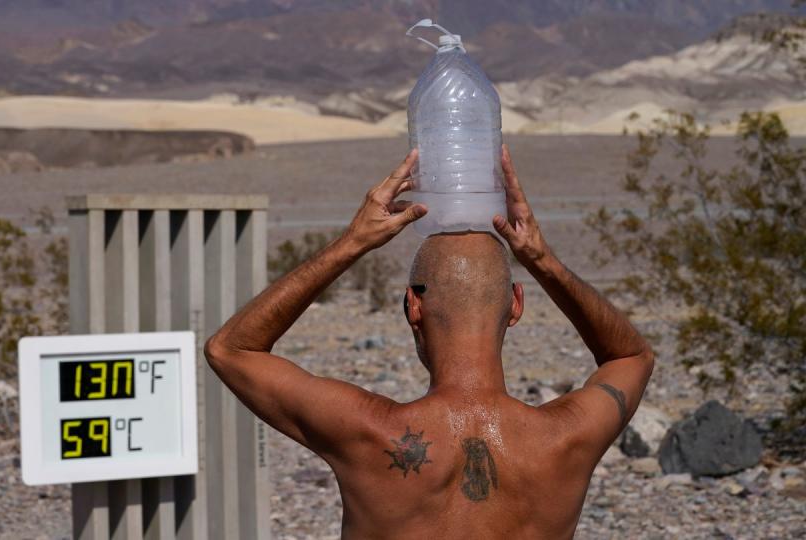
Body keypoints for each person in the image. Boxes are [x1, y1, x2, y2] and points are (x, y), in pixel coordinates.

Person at [205, 145, 654, 539]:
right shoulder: (564, 438)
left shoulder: (367, 432)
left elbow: (232, 349)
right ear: (516, 304)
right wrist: (543, 261)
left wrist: (351, 243)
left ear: (412, 306)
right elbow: (631, 355)